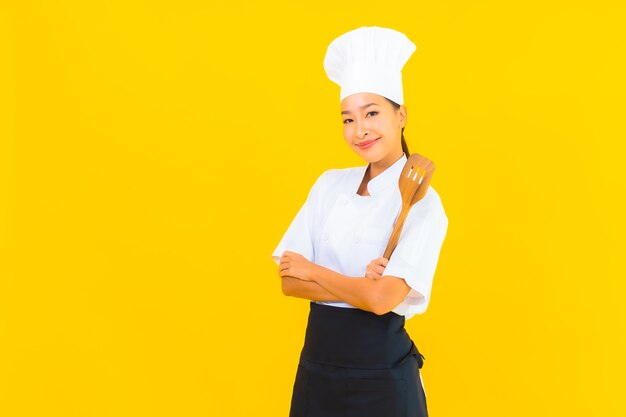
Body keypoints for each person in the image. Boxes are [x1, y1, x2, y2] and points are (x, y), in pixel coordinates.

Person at [271, 26, 449, 417]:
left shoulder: (422, 203)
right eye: (348, 119)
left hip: (383, 381)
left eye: (372, 113)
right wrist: (360, 288)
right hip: (317, 373)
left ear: (400, 115)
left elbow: (382, 300)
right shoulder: (328, 185)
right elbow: (289, 281)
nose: (360, 130)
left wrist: (315, 271)